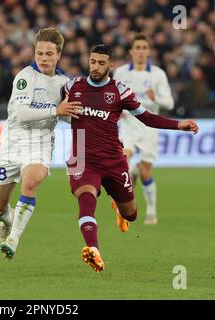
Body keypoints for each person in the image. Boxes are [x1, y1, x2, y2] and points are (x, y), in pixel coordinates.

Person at [63, 44, 198, 272]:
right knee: (86, 198)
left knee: (131, 214)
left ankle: (118, 206)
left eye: (101, 63)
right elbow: (51, 104)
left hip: (114, 160)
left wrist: (179, 125)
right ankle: (93, 250)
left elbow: (146, 118)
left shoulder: (120, 91)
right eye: (93, 61)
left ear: (111, 65)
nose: (95, 67)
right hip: (83, 159)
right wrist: (57, 110)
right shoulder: (72, 86)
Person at [0, 27, 81, 258]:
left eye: (49, 54)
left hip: (40, 142)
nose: (43, 58)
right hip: (13, 142)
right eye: (39, 53)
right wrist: (55, 110)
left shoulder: (64, 83)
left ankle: (14, 239)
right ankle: (8, 221)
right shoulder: (25, 77)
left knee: (30, 184)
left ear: (59, 55)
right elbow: (21, 114)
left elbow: (69, 114)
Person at [113, 33, 174, 225]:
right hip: (128, 125)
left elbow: (170, 103)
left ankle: (151, 212)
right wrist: (118, 110)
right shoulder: (121, 73)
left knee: (146, 171)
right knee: (124, 160)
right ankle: (124, 208)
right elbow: (112, 97)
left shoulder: (157, 74)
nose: (140, 51)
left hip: (149, 127)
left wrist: (156, 98)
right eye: (137, 47)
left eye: (144, 48)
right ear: (131, 51)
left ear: (148, 51)